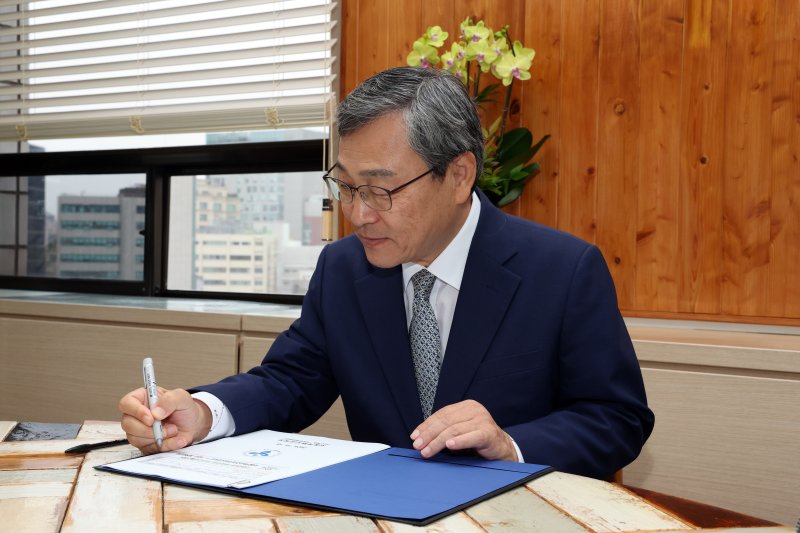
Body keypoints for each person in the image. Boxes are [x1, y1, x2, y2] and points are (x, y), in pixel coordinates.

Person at [120, 66, 654, 479]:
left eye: (382, 189)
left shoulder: (561, 270)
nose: (360, 213)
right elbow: (290, 380)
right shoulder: (343, 268)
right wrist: (204, 413)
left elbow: (616, 417)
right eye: (347, 186)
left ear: (459, 174)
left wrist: (510, 445)